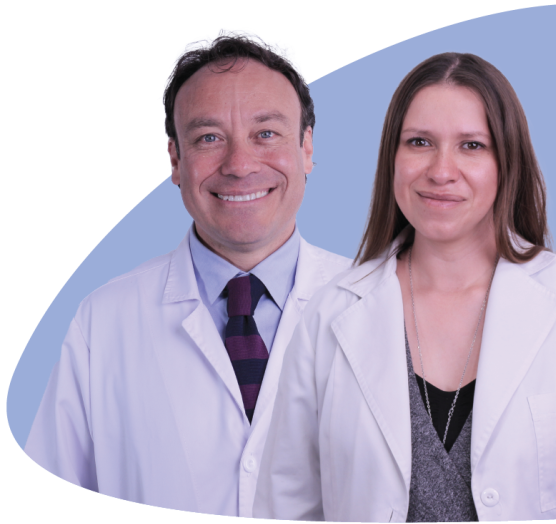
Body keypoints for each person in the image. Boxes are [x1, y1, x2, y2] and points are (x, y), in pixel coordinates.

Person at [253, 52, 556, 521]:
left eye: (471, 145)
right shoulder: (329, 317)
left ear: (507, 161)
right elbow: (284, 508)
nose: (441, 170)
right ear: (392, 158)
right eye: (419, 142)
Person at [24, 28, 351, 517]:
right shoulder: (103, 324)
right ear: (175, 160)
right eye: (209, 138)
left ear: (306, 148)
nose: (240, 165)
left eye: (266, 133)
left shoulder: (382, 307)